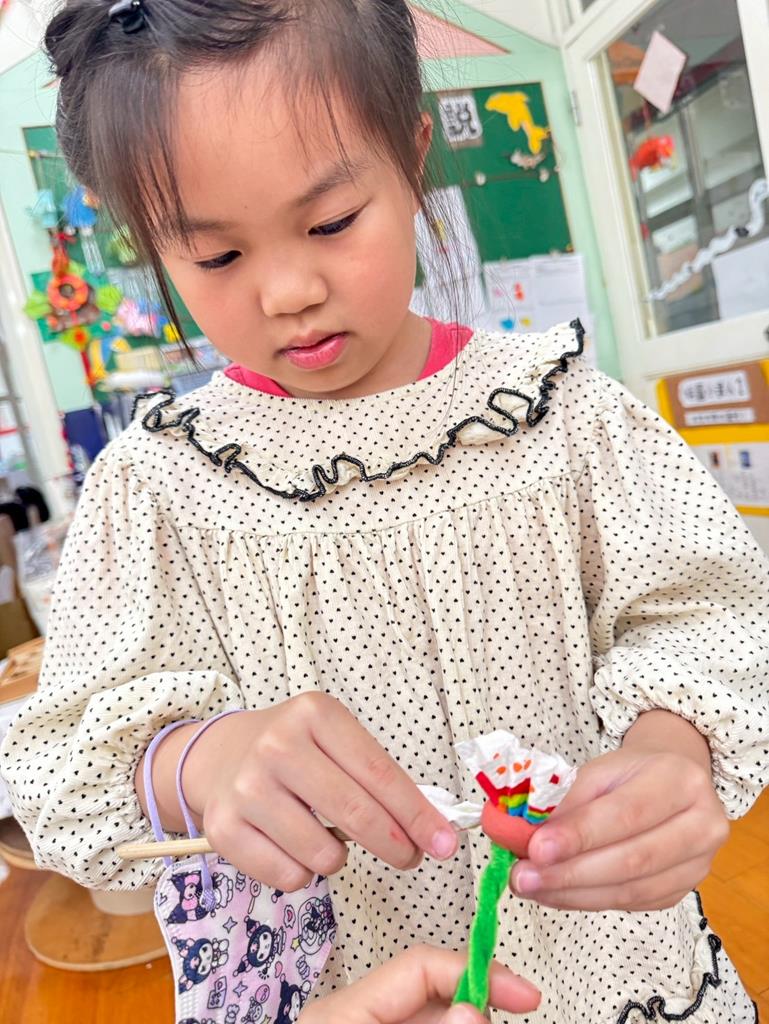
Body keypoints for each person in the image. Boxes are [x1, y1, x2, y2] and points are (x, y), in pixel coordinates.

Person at [1, 0, 767, 1020]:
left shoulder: (564, 417)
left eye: (329, 223)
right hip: (351, 987)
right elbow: (57, 759)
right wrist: (198, 761)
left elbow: (709, 612)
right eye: (217, 257)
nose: (287, 290)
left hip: (611, 968)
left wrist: (672, 746)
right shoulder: (159, 487)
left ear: (410, 158)